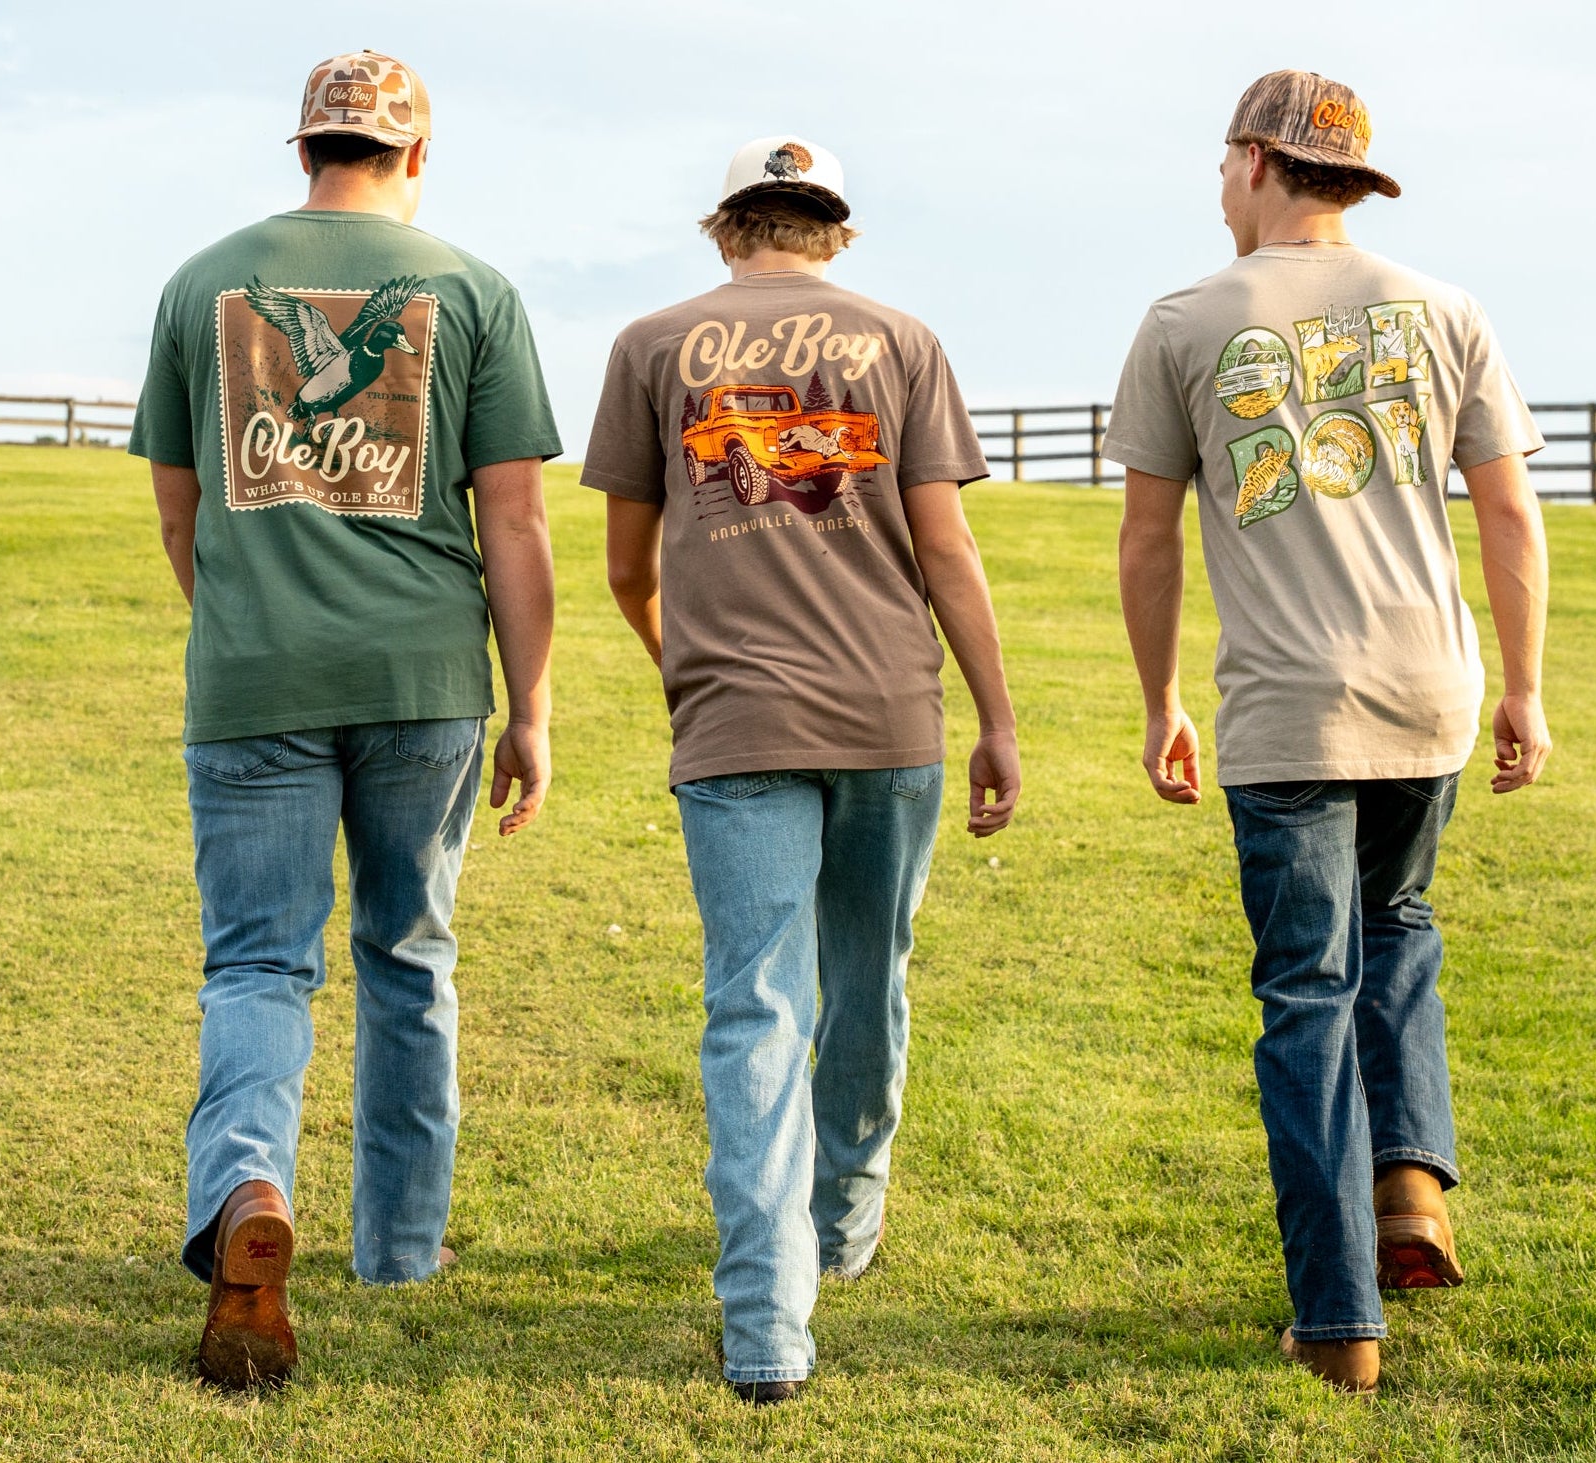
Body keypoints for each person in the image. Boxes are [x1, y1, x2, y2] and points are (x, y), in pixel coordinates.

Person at [1106, 71, 1552, 1392]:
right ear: (1349, 181)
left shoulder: (1185, 318)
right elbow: (1509, 514)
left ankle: (1335, 1309)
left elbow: (1145, 535)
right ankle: (1410, 1184)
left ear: (1252, 161)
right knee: (1399, 925)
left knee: (1306, 986)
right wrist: (1522, 686)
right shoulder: (1443, 308)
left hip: (1287, 708)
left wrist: (1159, 701)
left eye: (1222, 166)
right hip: (1429, 694)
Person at [126, 50, 563, 1389]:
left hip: (253, 677)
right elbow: (517, 519)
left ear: (302, 146)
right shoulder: (476, 290)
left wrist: (251, 619)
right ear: (415, 156)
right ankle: (401, 1243)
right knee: (406, 953)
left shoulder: (202, 283)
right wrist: (531, 703)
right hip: (422, 679)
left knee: (259, 961)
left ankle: (251, 1185)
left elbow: (179, 508)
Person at [582, 136, 1020, 1405]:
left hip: (734, 727)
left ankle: (768, 1326)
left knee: (753, 1009)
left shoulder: (650, 344)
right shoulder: (903, 341)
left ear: (727, 229)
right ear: (835, 231)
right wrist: (995, 715)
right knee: (866, 974)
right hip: (891, 714)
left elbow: (627, 565)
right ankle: (842, 1222)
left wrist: (691, 664)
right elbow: (947, 550)